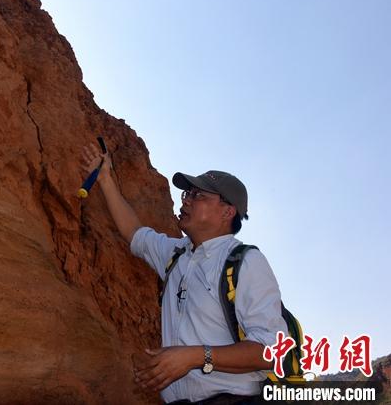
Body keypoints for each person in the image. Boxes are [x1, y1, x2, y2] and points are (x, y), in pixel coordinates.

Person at [81, 142, 287, 405]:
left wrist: (195, 356)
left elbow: (272, 352)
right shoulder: (176, 254)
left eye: (198, 196)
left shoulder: (246, 262)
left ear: (227, 211)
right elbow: (135, 233)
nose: (187, 200)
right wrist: (106, 179)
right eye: (186, 194)